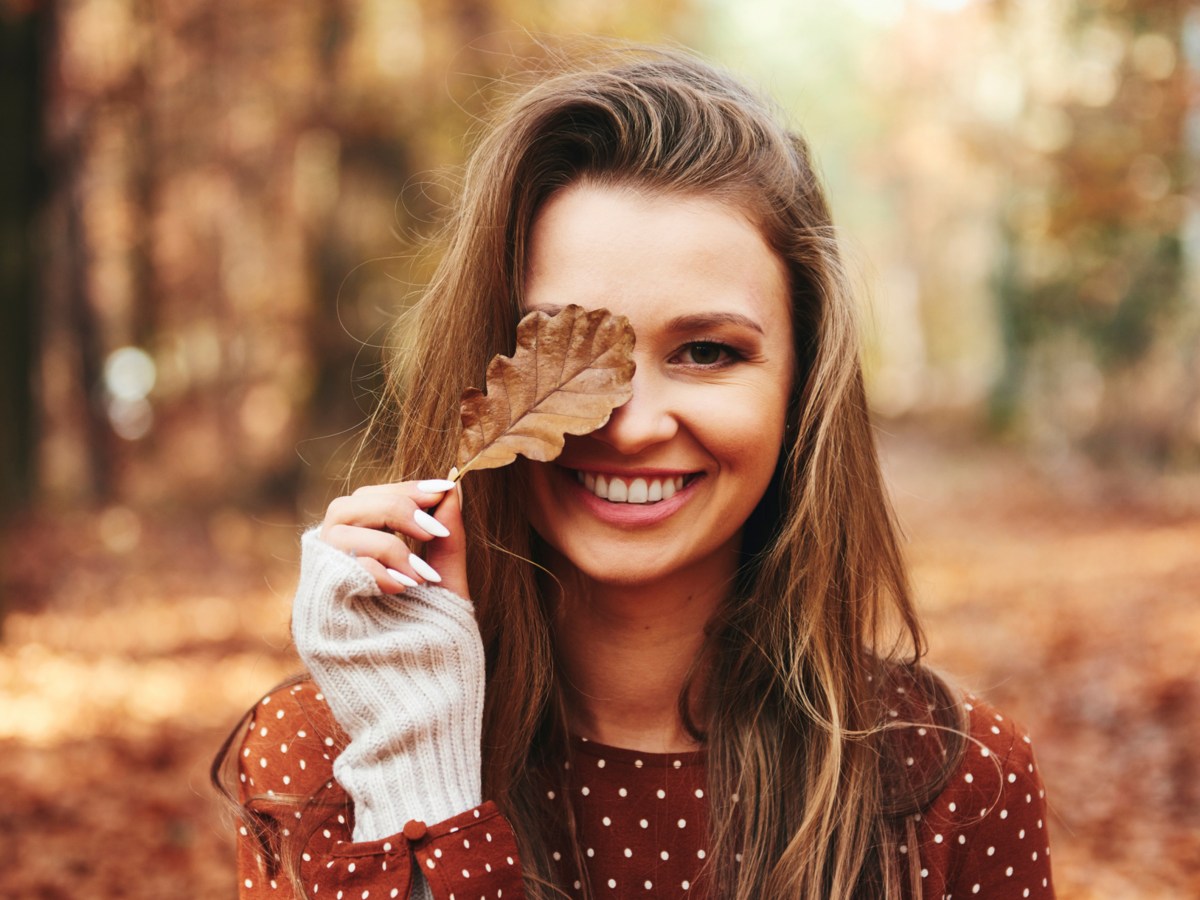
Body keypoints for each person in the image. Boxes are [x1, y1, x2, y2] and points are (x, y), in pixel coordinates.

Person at [214, 46, 1055, 899]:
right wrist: (417, 773)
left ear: (800, 388)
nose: (632, 426)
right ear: (489, 365)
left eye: (705, 351)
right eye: (567, 351)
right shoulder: (325, 754)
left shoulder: (956, 785)